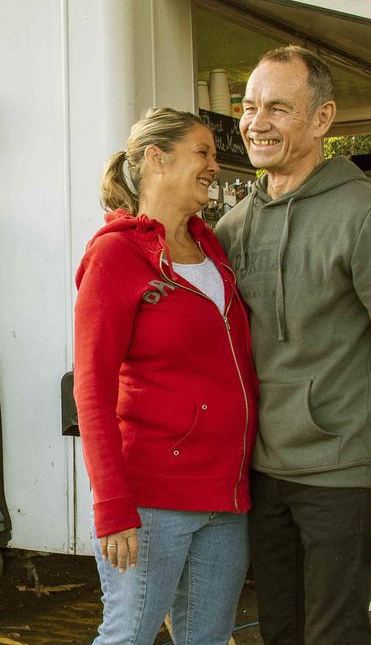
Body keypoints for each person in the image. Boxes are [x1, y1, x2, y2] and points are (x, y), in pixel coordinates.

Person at [215, 46, 371, 645]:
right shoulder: (233, 227)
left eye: (278, 109)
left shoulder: (367, 216)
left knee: (333, 634)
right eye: (249, 106)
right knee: (280, 631)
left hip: (342, 470)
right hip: (260, 472)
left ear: (321, 120)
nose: (257, 123)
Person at [74, 107, 258, 645]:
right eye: (202, 152)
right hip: (151, 499)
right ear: (157, 158)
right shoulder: (116, 255)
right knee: (128, 636)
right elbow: (92, 389)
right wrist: (112, 504)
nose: (213, 167)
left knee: (207, 639)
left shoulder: (212, 247)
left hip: (226, 496)